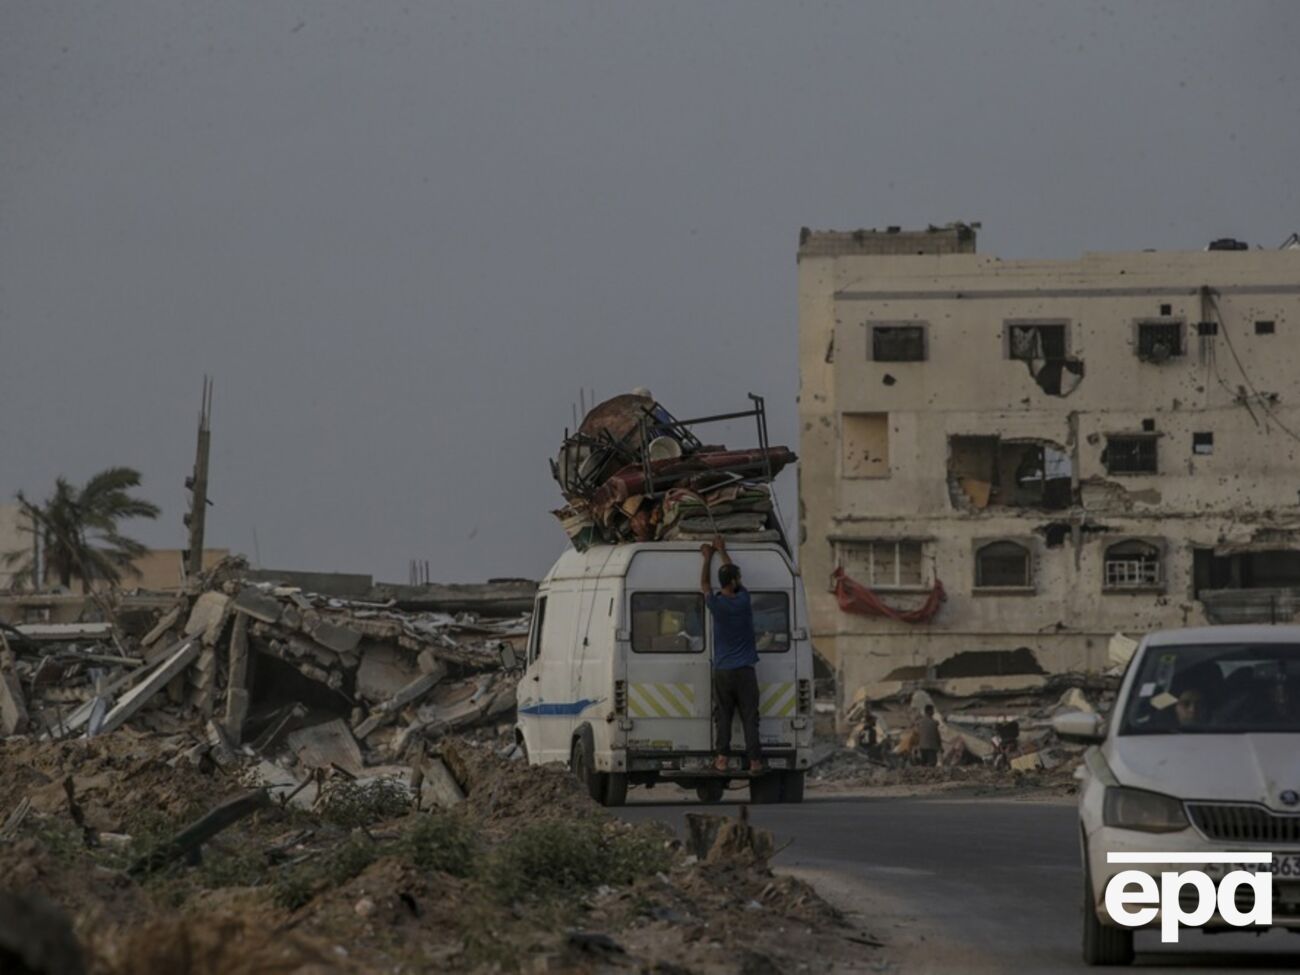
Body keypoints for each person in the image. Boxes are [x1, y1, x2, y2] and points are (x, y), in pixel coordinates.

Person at [700, 535, 763, 773]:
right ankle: (755, 762)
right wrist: (722, 551)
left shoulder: (717, 605)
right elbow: (732, 575)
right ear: (735, 581)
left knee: (723, 716)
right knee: (750, 717)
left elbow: (705, 585)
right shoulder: (744, 601)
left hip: (723, 670)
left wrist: (707, 558)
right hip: (746, 670)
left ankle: (722, 760)